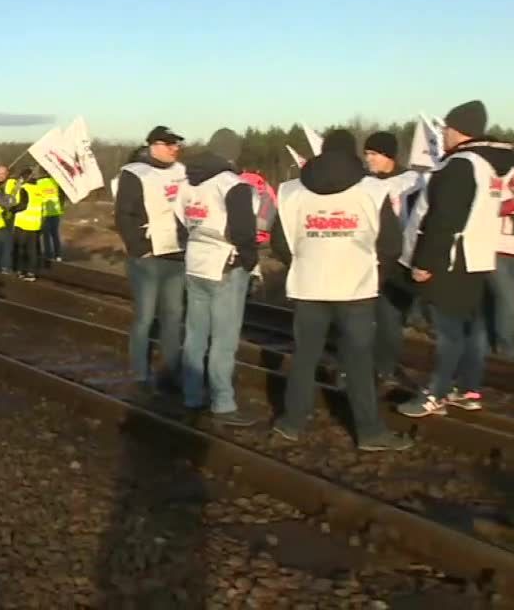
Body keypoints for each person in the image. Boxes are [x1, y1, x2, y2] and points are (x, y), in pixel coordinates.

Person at [271, 129, 412, 451]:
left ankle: (291, 423)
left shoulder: (291, 190)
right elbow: (390, 245)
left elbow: (280, 242)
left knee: (305, 357)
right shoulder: (373, 190)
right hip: (357, 289)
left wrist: (303, 261)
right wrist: (374, 273)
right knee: (359, 362)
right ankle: (370, 433)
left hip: (308, 287)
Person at [399, 101, 514, 417]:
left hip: (452, 261)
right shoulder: (489, 166)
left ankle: (435, 392)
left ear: (456, 129)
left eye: (446, 127)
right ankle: (469, 388)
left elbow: (444, 219)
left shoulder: (460, 165)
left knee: (449, 332)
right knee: (472, 330)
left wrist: (425, 263)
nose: (444, 133)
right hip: (477, 257)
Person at [178, 129, 259, 425]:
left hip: (195, 263)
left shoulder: (187, 182)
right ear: (232, 153)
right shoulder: (233, 185)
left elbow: (181, 223)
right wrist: (250, 262)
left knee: (195, 334)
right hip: (225, 266)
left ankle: (191, 394)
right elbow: (243, 232)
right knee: (224, 340)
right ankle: (223, 402)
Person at [115, 126, 188, 388]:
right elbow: (123, 215)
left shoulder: (182, 172)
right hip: (148, 257)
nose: (174, 149)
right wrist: (138, 248)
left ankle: (170, 371)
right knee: (145, 316)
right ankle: (140, 372)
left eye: (177, 144)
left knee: (173, 316)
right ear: (153, 146)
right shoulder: (135, 173)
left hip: (177, 255)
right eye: (169, 144)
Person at [362, 131, 426, 386]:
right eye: (366, 153)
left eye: (374, 154)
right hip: (369, 257)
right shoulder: (365, 182)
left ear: (388, 155)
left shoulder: (412, 182)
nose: (369, 159)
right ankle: (364, 365)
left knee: (390, 318)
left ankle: (385, 368)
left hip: (399, 260)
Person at [490, 153, 514, 361]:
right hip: (496, 251)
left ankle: (489, 341)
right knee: (508, 301)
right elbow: (487, 210)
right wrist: (513, 203)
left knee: (499, 301)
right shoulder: (498, 181)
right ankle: (506, 347)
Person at [12, 171, 45, 281]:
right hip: (35, 224)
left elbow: (22, 205)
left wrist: (11, 210)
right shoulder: (39, 190)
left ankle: (20, 271)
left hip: (22, 223)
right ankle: (31, 273)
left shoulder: (23, 189)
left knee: (21, 249)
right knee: (32, 251)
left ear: (23, 178)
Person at [35, 169, 65, 262]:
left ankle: (48, 255)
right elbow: (61, 195)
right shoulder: (55, 181)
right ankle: (58, 254)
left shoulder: (38, 183)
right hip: (56, 211)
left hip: (45, 212)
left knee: (46, 235)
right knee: (55, 234)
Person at [0, 165, 18, 269]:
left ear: (7, 174)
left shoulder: (12, 184)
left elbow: (16, 201)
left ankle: (6, 266)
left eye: (3, 173)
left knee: (7, 243)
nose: (0, 176)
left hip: (7, 217)